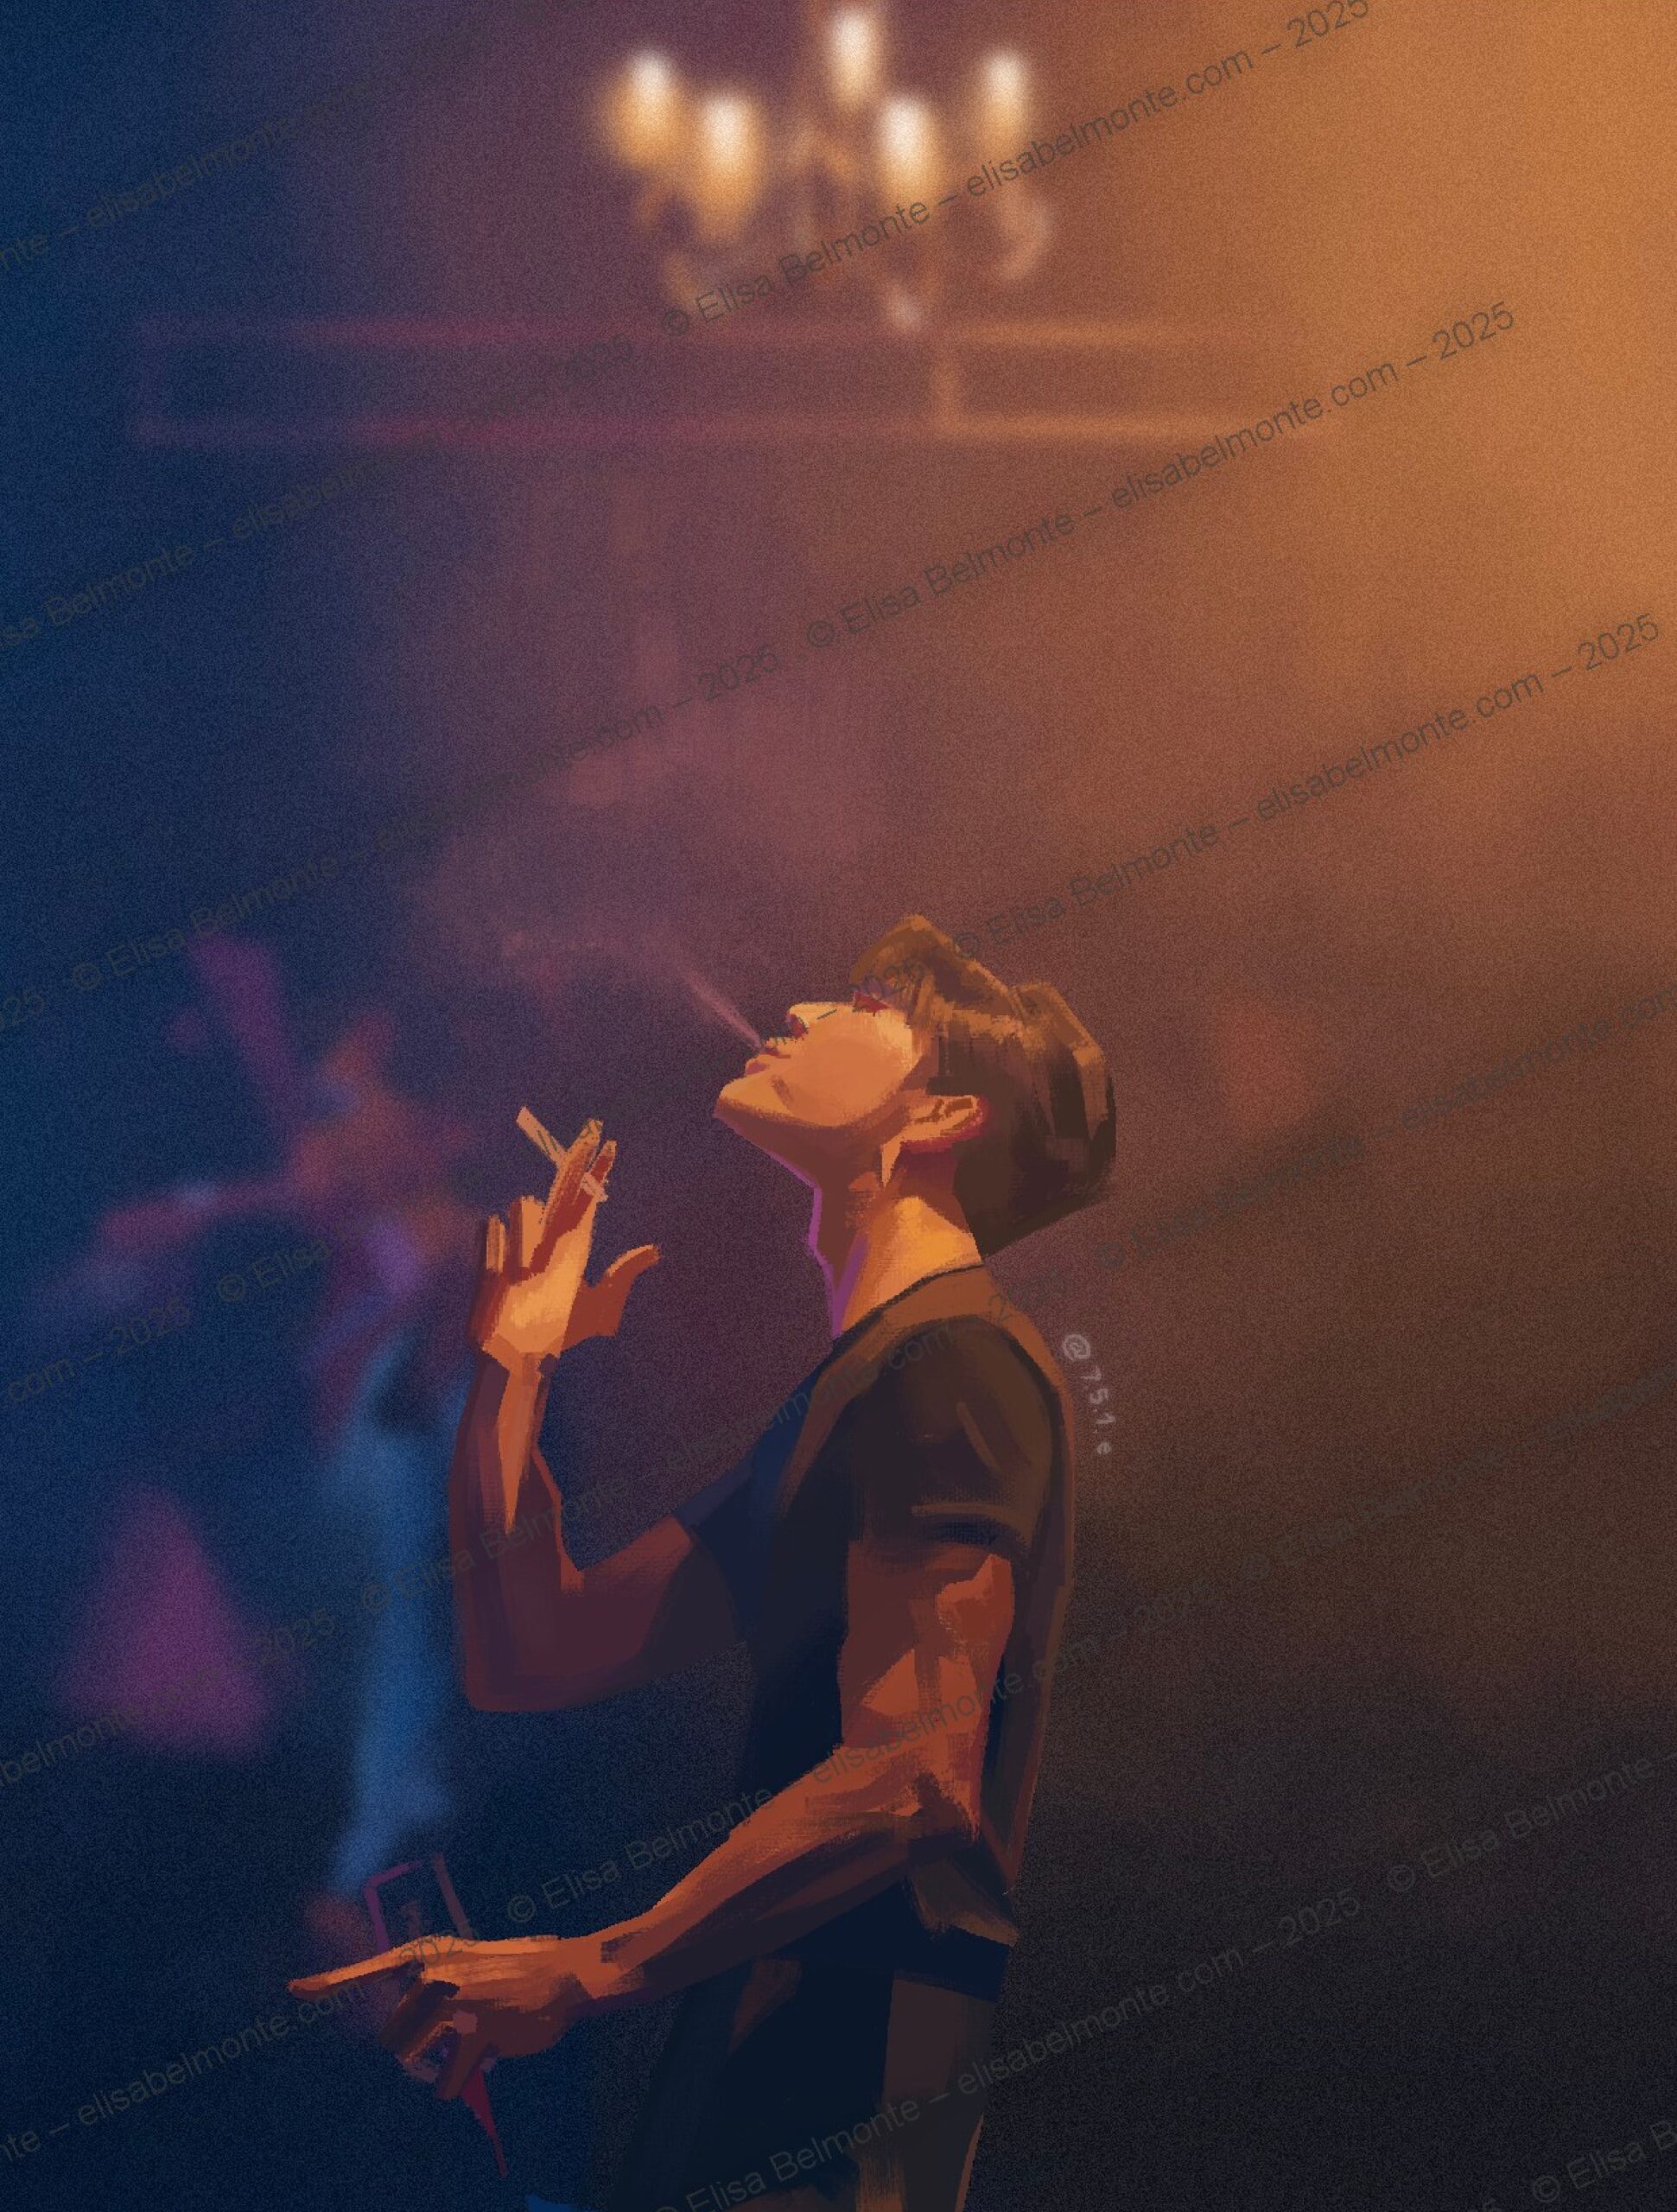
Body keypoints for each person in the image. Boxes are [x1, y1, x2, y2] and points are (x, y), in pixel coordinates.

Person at [294, 915, 1115, 2211]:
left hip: (830, 2109)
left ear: (940, 1115)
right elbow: (531, 1652)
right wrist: (512, 1371)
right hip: (742, 2086)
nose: (800, 1013)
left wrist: (582, 1970)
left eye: (863, 1012)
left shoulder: (956, 1367)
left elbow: (912, 1778)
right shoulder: (863, 1387)